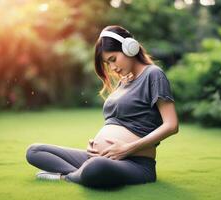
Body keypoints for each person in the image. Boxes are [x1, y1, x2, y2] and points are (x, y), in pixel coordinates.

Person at [26, 25, 179, 189]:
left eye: (113, 59)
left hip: (135, 163)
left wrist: (127, 148)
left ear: (130, 48)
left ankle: (68, 176)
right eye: (107, 63)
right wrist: (95, 145)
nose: (112, 68)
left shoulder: (153, 74)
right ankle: (81, 174)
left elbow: (171, 125)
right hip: (102, 158)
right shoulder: (123, 81)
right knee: (34, 151)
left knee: (96, 167)